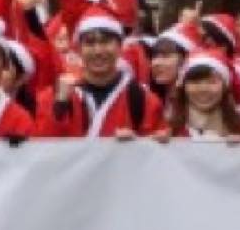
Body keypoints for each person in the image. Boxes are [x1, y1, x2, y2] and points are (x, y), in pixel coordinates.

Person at [34, 11, 161, 139]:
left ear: (120, 46)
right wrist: (59, 107)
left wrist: (139, 145)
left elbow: (159, 153)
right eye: (90, 43)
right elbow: (44, 150)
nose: (98, 51)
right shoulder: (51, 98)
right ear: (78, 48)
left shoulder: (144, 100)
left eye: (106, 42)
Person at [156, 53, 240, 144]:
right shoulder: (168, 130)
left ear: (225, 87)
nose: (203, 89)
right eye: (195, 82)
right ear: (184, 87)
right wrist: (158, 147)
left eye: (212, 82)